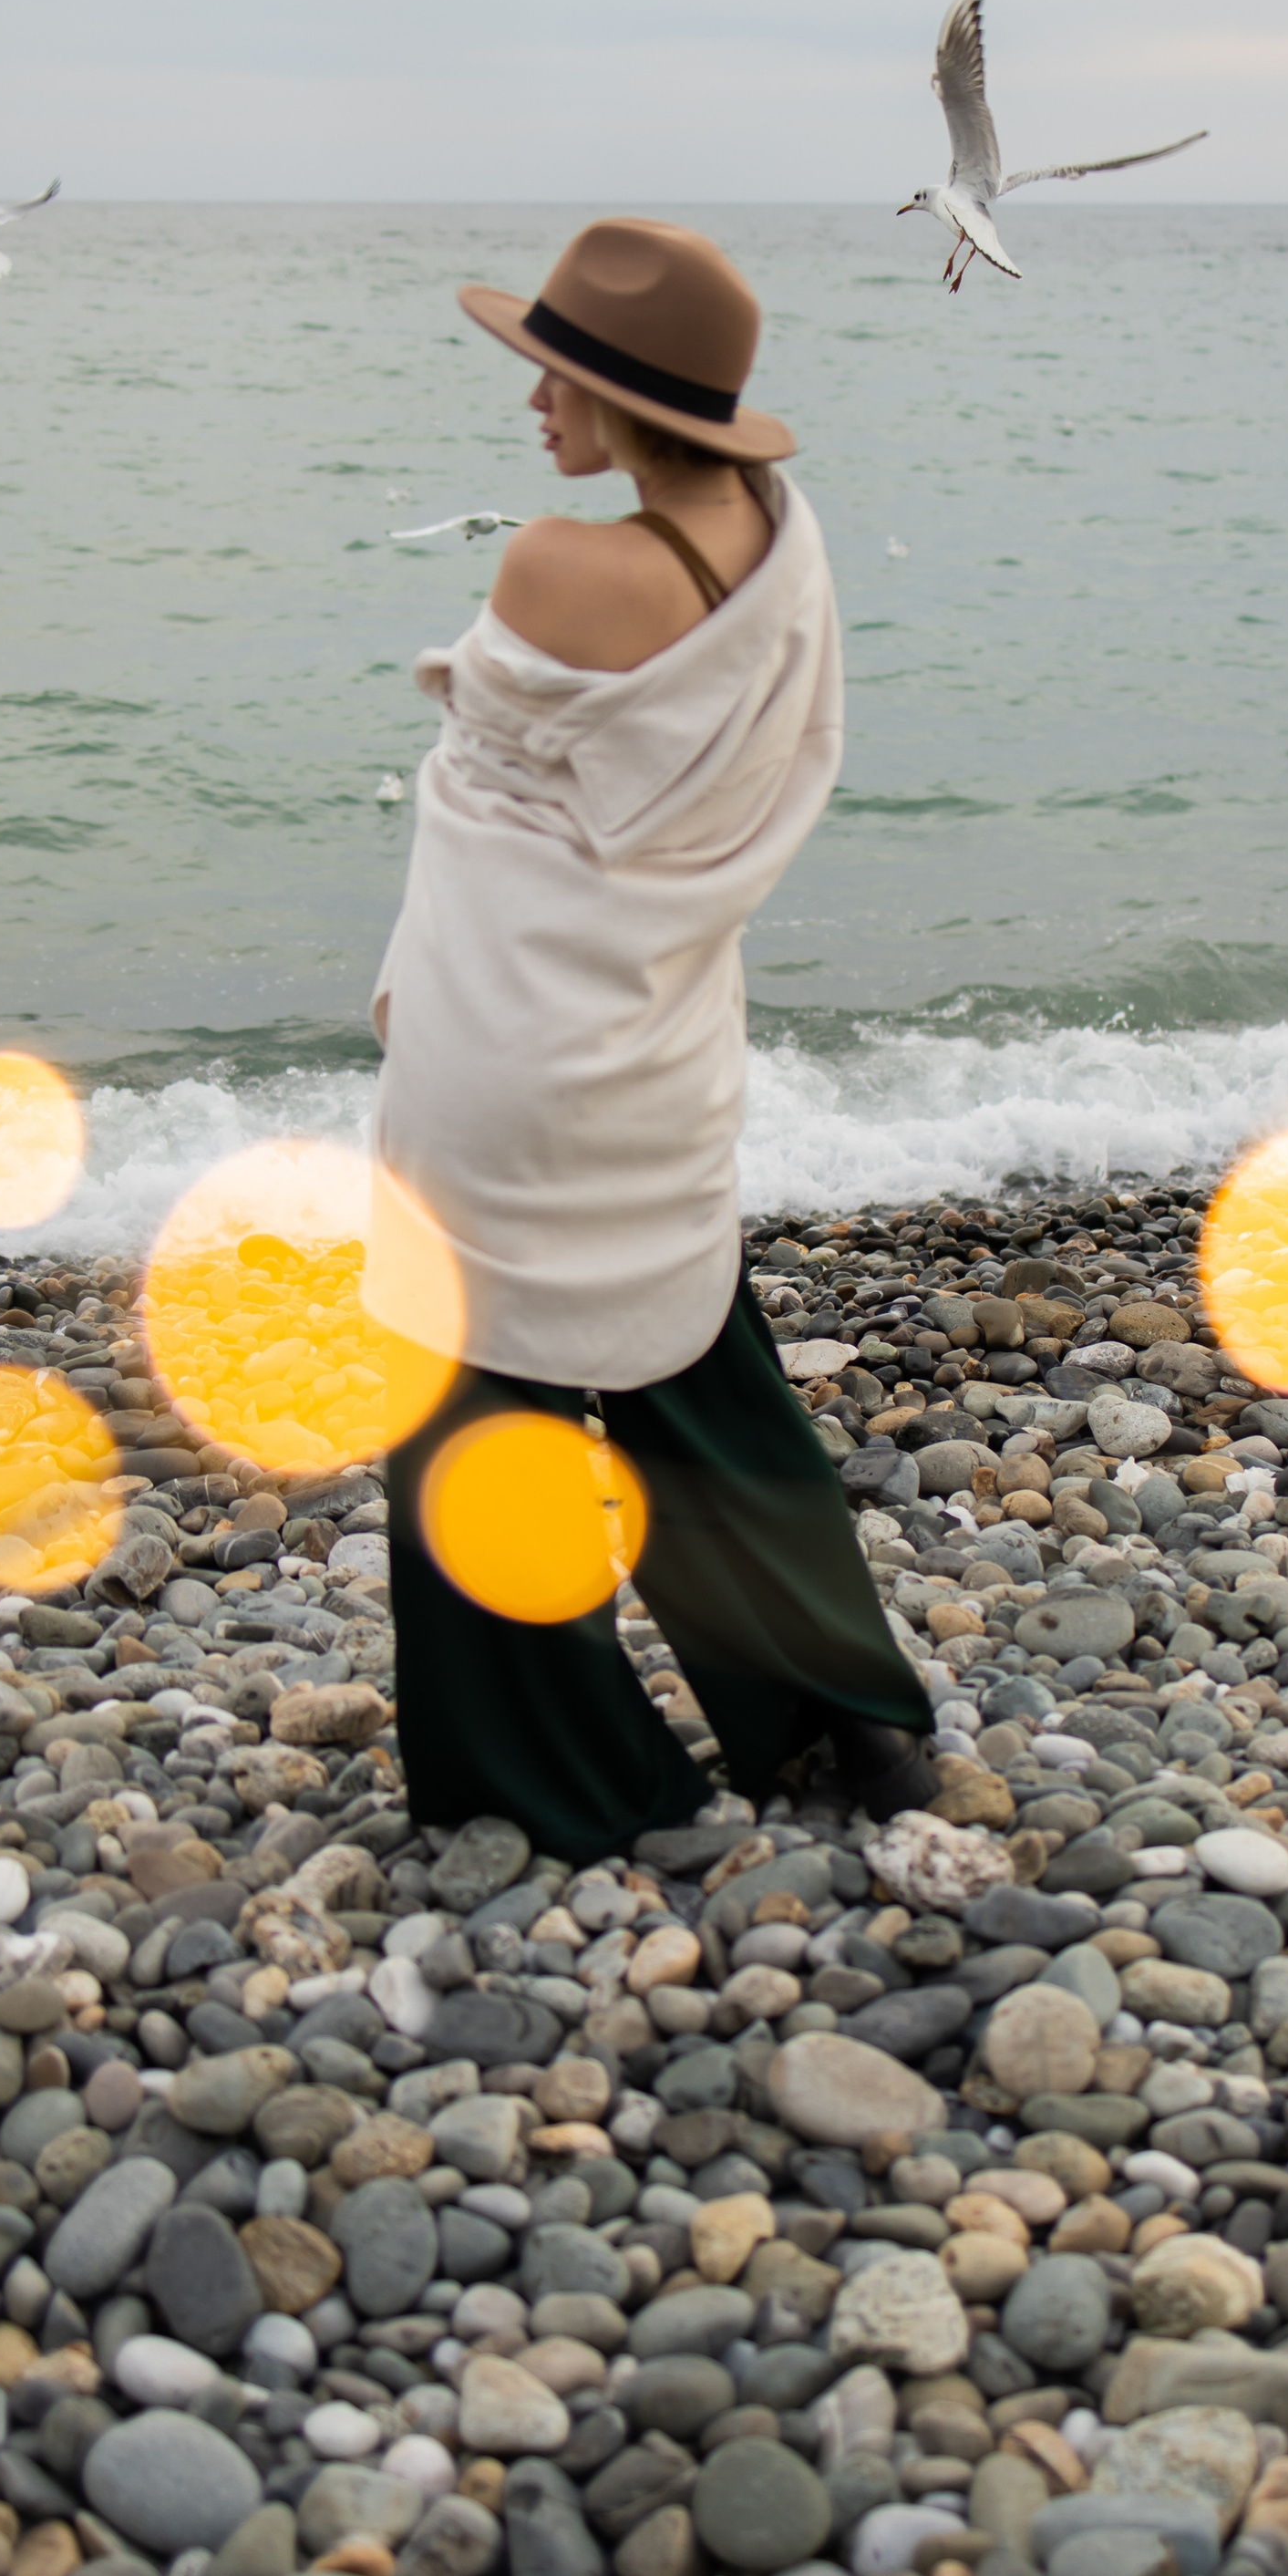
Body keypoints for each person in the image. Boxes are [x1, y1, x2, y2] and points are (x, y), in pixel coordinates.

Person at [366, 216, 937, 1864]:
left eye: (557, 370)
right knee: (702, 1382)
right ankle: (843, 1729)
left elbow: (484, 747)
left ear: (635, 394)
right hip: (660, 1034)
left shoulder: (560, 563)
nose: (535, 398)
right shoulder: (779, 540)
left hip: (510, 1045)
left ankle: (562, 1776)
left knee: (475, 1411)